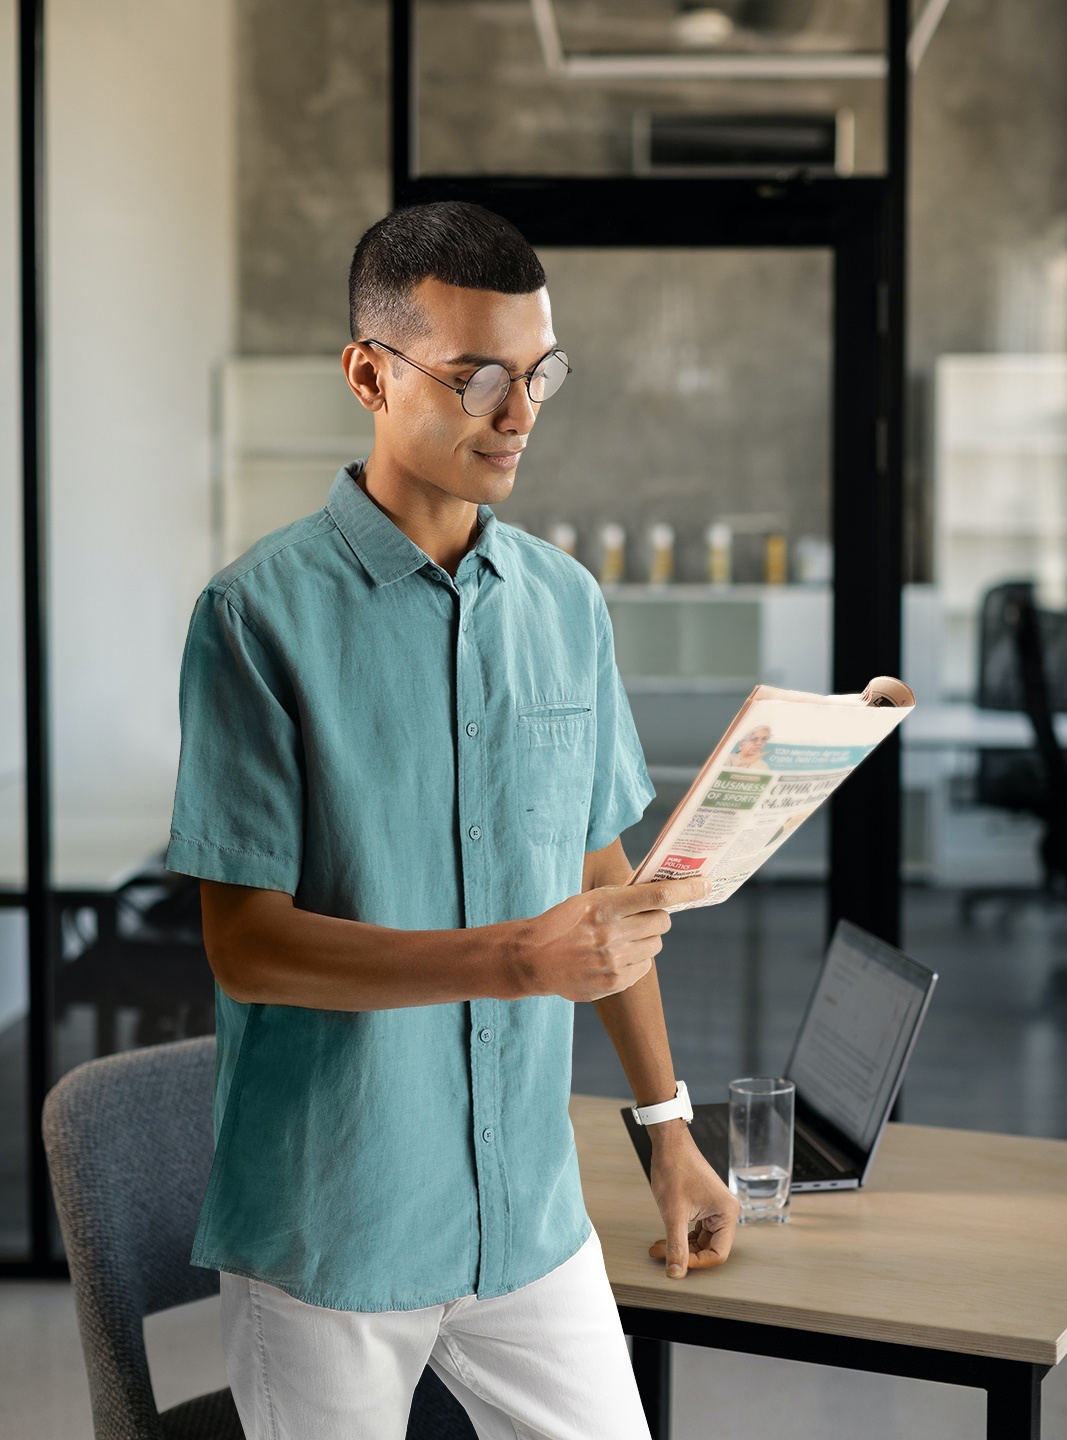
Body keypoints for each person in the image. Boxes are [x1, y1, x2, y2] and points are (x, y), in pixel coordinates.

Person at [166, 200, 739, 1440]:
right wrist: (512, 959)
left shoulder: (567, 605)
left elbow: (603, 878)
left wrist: (666, 1130)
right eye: (477, 375)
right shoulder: (253, 620)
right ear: (369, 374)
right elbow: (247, 945)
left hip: (529, 1217)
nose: (518, 413)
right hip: (332, 1227)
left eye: (538, 374)